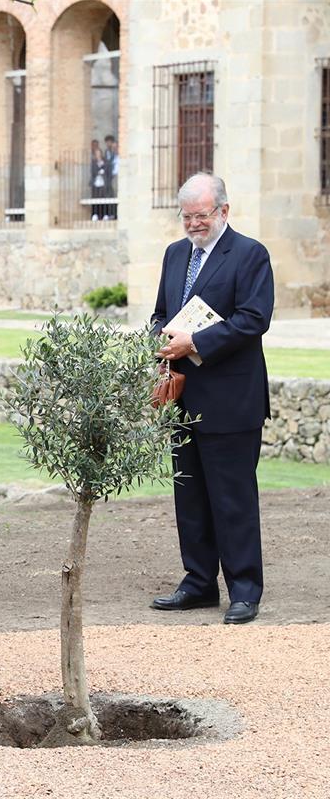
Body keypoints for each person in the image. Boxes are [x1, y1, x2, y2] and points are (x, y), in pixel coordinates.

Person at [150, 172, 273, 625]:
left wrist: (195, 343)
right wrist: (160, 342)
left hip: (231, 398)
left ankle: (244, 590)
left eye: (201, 215)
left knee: (233, 498)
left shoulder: (250, 254)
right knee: (190, 497)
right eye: (187, 217)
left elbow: (254, 319)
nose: (193, 224)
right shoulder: (174, 254)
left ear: (223, 210)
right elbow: (161, 312)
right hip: (183, 397)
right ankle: (198, 583)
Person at [89, 139, 108, 221]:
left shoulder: (105, 162)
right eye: (96, 154)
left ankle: (104, 214)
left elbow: (107, 170)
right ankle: (95, 214)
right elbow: (92, 171)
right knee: (95, 198)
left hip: (103, 182)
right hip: (96, 182)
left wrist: (103, 171)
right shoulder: (93, 163)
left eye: (99, 153)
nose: (98, 155)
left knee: (103, 198)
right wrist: (98, 172)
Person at [103, 135, 119, 220]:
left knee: (117, 194)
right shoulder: (107, 152)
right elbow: (107, 163)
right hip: (111, 176)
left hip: (117, 175)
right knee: (111, 195)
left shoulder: (117, 155)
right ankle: (112, 213)